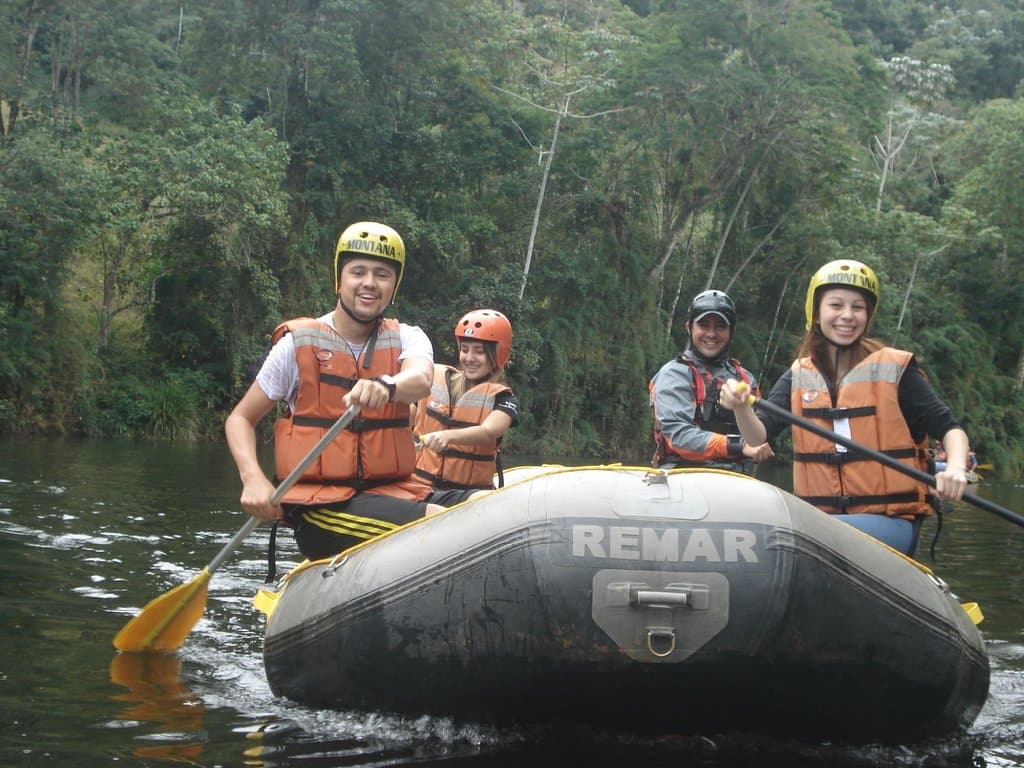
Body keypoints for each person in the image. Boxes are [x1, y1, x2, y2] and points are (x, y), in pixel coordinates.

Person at [225, 221, 444, 562]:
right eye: (358, 272)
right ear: (340, 278)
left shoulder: (408, 336)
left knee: (481, 507)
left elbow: (420, 379)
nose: (369, 283)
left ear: (394, 286)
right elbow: (240, 418)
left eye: (382, 274)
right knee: (442, 524)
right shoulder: (296, 345)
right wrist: (252, 478)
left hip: (395, 493)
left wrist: (387, 386)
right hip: (323, 507)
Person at [720, 259, 972, 555]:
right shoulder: (799, 375)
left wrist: (955, 468)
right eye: (836, 305)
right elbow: (757, 436)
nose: (847, 316)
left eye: (858, 307)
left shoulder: (896, 371)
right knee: (797, 533)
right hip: (819, 523)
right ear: (816, 313)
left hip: (890, 522)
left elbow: (951, 429)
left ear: (868, 315)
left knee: (804, 536)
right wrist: (740, 407)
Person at [649, 289, 774, 474]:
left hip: (737, 480)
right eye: (704, 325)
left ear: (730, 331)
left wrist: (757, 445)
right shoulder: (673, 375)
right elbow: (679, 437)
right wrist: (737, 445)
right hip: (682, 478)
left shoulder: (746, 379)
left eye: (720, 326)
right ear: (689, 327)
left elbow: (759, 436)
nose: (711, 333)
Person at [411, 308, 520, 505]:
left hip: (468, 495)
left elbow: (488, 432)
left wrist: (447, 436)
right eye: (464, 349)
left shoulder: (504, 400)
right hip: (421, 488)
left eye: (479, 351)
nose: (469, 358)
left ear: (498, 355)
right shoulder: (437, 381)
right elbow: (409, 413)